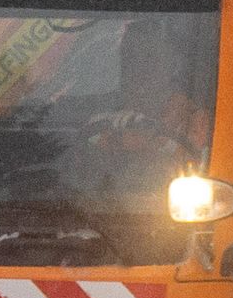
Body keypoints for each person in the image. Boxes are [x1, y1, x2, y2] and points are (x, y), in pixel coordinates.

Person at [72, 22, 210, 195]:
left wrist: (143, 139)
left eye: (149, 58)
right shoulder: (100, 123)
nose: (139, 67)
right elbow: (89, 173)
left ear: (170, 64)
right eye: (130, 58)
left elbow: (199, 169)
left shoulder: (195, 120)